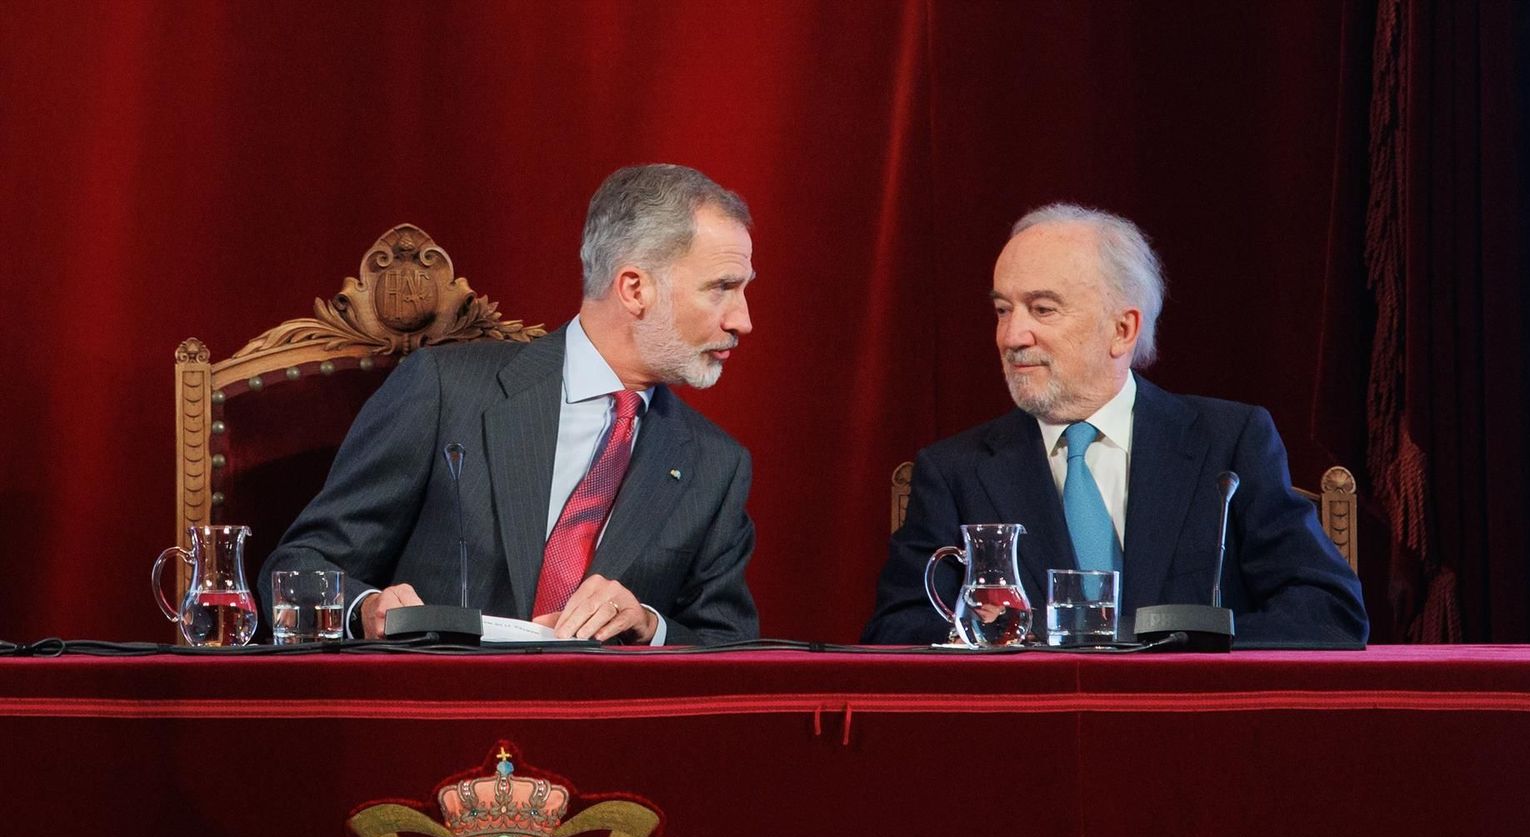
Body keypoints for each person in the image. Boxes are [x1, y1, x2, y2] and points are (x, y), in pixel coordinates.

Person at [260, 164, 758, 644]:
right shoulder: (446, 391)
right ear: (634, 289)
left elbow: (729, 649)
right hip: (440, 715)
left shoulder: (715, 465)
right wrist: (365, 610)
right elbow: (299, 568)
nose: (742, 320)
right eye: (722, 288)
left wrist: (650, 626)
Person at [862, 203, 1367, 647]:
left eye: (1042, 309)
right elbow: (898, 630)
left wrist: (1183, 643)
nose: (1012, 335)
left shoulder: (1228, 444)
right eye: (1002, 309)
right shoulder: (955, 471)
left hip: (1194, 733)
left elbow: (1328, 611)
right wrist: (1008, 638)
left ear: (1122, 329)